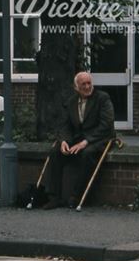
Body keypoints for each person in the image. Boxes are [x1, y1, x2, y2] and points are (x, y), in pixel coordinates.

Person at [43, 71, 115, 209]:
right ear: (76, 87)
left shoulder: (103, 98)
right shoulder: (71, 102)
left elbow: (106, 124)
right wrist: (64, 140)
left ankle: (76, 196)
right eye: (84, 84)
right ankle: (54, 197)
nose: (88, 87)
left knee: (87, 154)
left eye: (89, 83)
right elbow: (65, 124)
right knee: (55, 152)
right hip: (78, 138)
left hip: (98, 138)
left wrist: (85, 142)